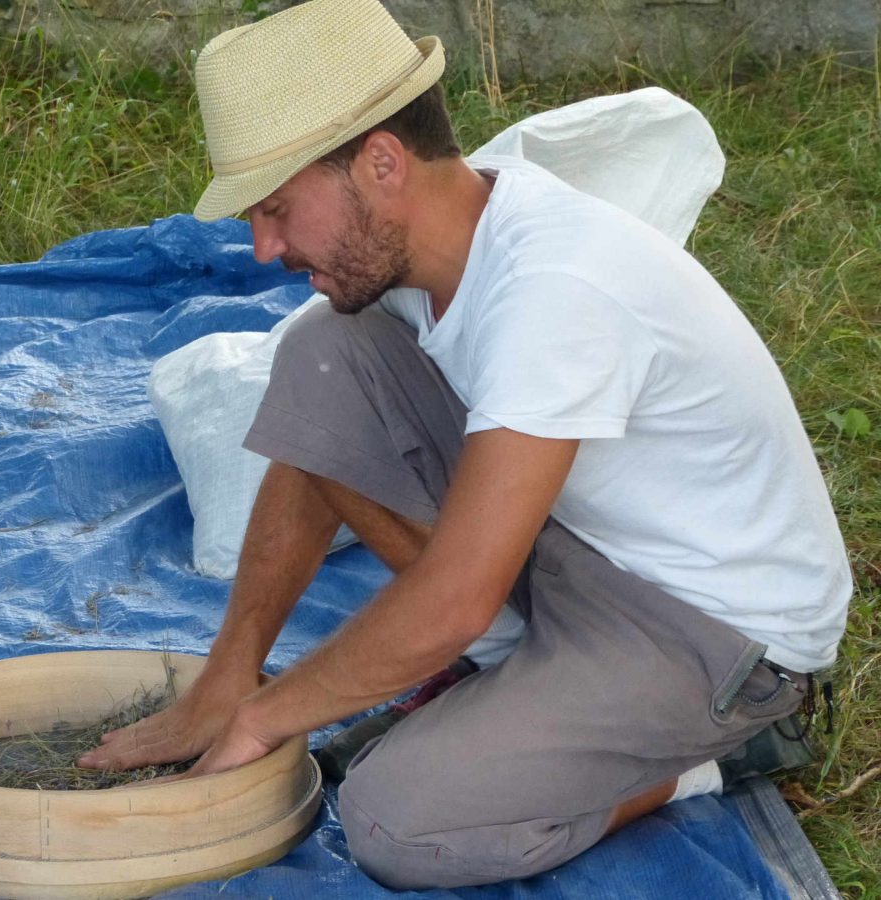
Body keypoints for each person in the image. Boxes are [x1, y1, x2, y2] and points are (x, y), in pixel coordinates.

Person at [76, 0, 852, 887]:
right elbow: (323, 422)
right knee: (322, 357)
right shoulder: (446, 236)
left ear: (381, 163)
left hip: (715, 636)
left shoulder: (553, 288)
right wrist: (233, 675)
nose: (262, 248)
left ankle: (721, 757)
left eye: (279, 209)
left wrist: (264, 719)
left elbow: (455, 602)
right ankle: (519, 678)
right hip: (586, 549)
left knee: (396, 822)